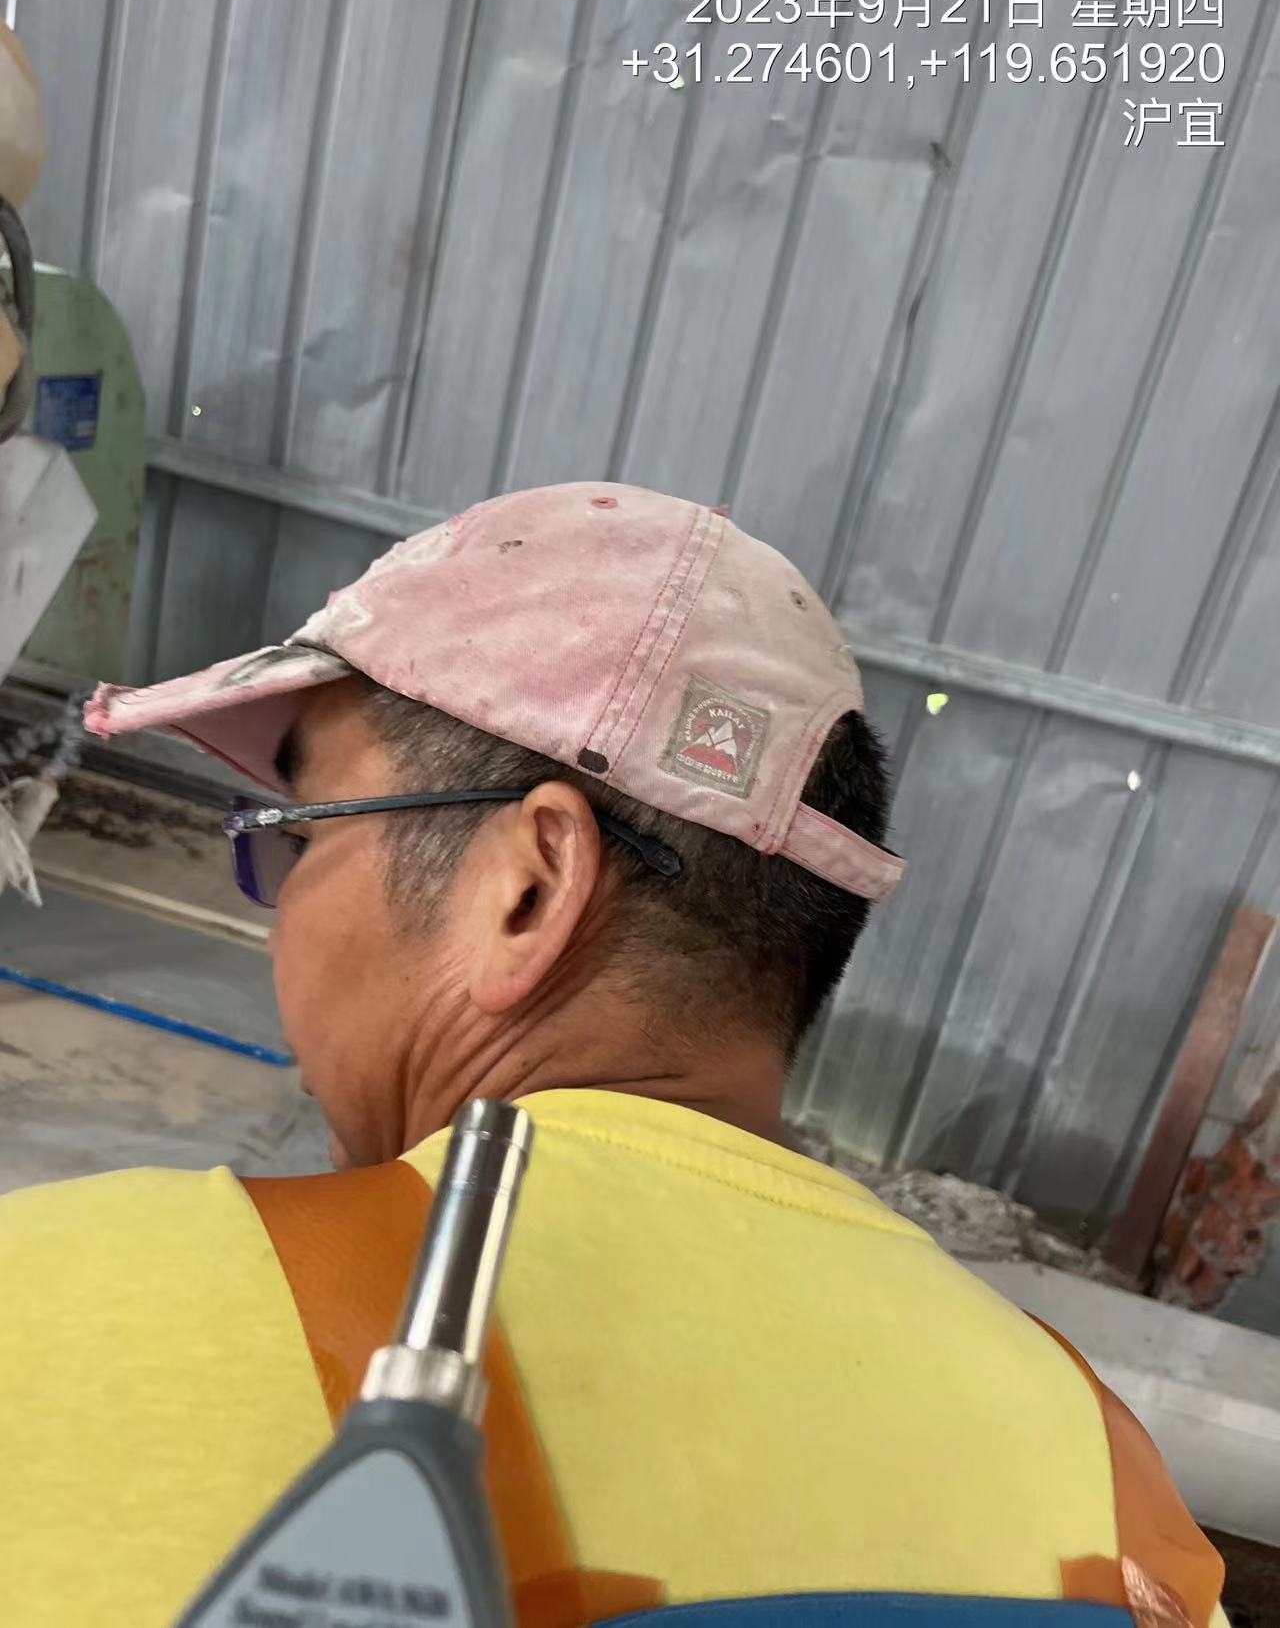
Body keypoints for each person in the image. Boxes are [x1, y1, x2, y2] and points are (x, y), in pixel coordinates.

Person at [1, 482, 1224, 1625]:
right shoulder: (1115, 1487)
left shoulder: (72, 1320)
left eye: (292, 838)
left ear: (528, 889)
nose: (279, 915)